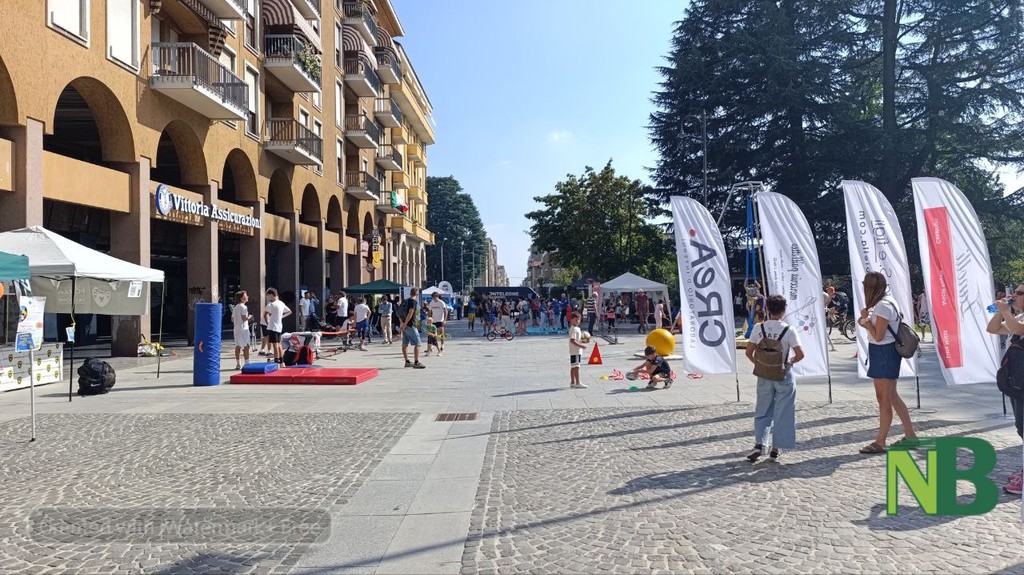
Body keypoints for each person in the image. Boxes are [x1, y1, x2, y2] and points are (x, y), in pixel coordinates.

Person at [857, 271, 917, 454]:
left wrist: (866, 321)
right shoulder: (887, 302)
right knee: (891, 396)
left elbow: (878, 335)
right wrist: (866, 320)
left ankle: (881, 441)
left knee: (884, 399)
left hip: (883, 352)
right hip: (885, 352)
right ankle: (910, 435)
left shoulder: (883, 306)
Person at [745, 295, 804, 461]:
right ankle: (776, 448)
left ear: (767, 309)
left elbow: (748, 352)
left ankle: (760, 444)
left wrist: (760, 364)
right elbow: (800, 354)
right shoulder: (789, 330)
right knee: (783, 411)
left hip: (764, 374)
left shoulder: (759, 328)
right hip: (783, 374)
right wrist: (789, 362)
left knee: (762, 410)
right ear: (784, 310)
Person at [986, 284, 1024, 494]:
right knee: (1021, 426)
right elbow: (993, 329)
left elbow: (1018, 330)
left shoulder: (1018, 321)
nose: (1013, 295)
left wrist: (1005, 312)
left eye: (1019, 293)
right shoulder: (1018, 317)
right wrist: (1000, 311)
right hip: (1017, 379)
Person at [262, 288, 292, 364]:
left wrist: (268, 323)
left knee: (275, 345)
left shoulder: (270, 304)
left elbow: (265, 314)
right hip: (279, 326)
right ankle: (281, 362)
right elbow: (289, 311)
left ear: (271, 295)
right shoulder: (281, 303)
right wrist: (281, 316)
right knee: (279, 344)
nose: (268, 297)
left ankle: (276, 361)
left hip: (272, 326)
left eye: (268, 296)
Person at [400, 288, 426, 368]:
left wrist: (402, 323)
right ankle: (416, 362)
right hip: (410, 325)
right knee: (418, 344)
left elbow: (399, 313)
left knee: (405, 344)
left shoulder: (405, 301)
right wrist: (405, 324)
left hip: (404, 324)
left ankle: (407, 361)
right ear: (417, 294)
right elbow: (410, 313)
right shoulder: (413, 301)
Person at [231, 290, 253, 370]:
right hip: (244, 329)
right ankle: (247, 363)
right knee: (246, 345)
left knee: (238, 345)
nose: (247, 297)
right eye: (245, 296)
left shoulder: (235, 307)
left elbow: (232, 319)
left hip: (236, 328)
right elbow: (244, 318)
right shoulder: (244, 307)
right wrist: (250, 317)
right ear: (241, 298)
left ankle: (238, 363)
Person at [568, 312, 588, 389]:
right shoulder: (573, 329)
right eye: (575, 320)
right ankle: (577, 382)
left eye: (578, 319)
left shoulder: (577, 328)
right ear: (571, 320)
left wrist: (583, 341)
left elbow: (577, 339)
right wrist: (581, 346)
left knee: (573, 366)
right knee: (576, 366)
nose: (577, 321)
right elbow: (572, 340)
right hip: (575, 350)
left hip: (575, 351)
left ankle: (572, 382)